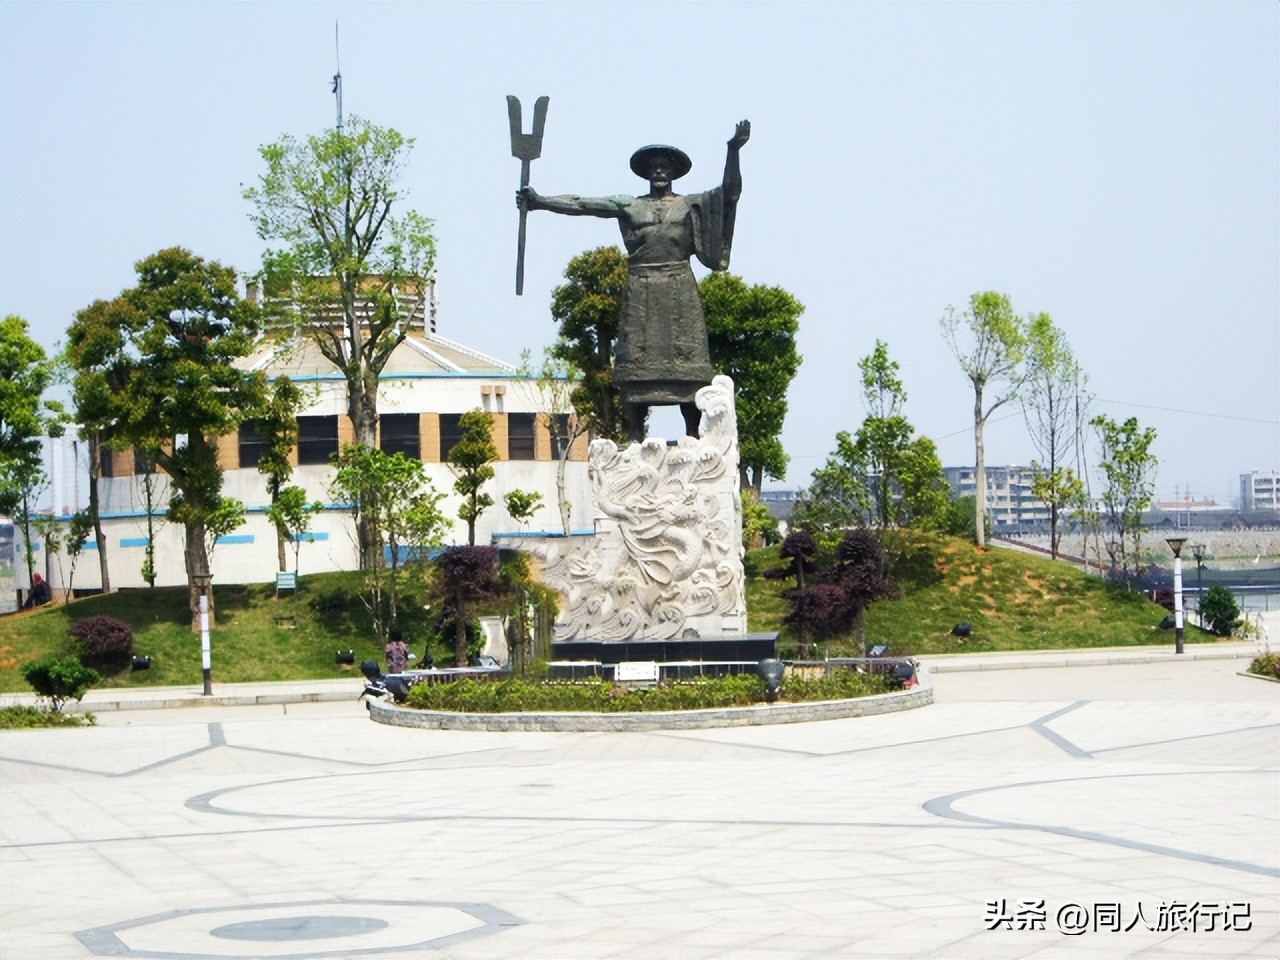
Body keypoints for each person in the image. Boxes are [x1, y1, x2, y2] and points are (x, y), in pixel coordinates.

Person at [519, 120, 750, 442]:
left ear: (673, 173)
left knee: (688, 366)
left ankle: (693, 435)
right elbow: (582, 204)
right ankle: (634, 435)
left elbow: (730, 194)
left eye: (665, 167)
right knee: (637, 363)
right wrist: (540, 201)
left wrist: (733, 151)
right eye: (654, 168)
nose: (659, 172)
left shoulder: (690, 204)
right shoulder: (630, 205)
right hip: (640, 287)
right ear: (646, 173)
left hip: (678, 286)